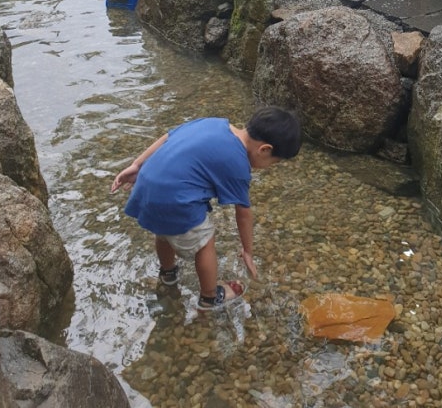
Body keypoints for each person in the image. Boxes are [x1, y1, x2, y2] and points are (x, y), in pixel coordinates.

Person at [110, 105, 302, 312]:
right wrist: (247, 251)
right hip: (175, 201)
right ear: (264, 150)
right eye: (274, 162)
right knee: (205, 243)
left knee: (164, 232)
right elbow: (243, 213)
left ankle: (167, 274)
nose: (270, 166)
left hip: (147, 186)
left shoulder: (214, 123)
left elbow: (167, 137)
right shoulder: (238, 164)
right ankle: (210, 297)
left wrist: (137, 165)